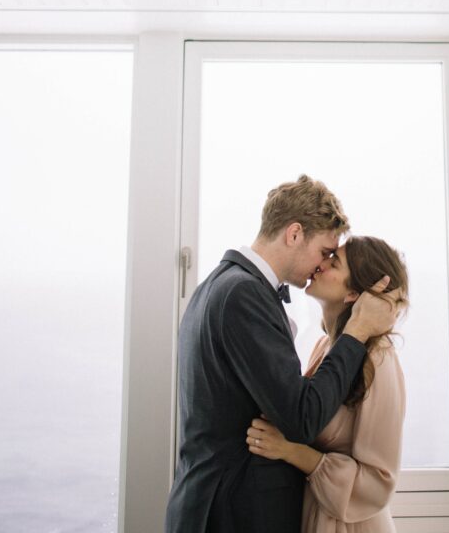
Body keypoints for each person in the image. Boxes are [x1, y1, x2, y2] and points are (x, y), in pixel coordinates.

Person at [164, 176, 399, 533]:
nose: (320, 266)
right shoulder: (243, 295)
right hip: (231, 515)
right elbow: (301, 417)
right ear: (293, 234)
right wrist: (356, 332)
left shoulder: (215, 286)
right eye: (324, 252)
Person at [246, 236, 408, 533]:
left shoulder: (378, 358)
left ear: (354, 293)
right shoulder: (325, 347)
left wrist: (291, 450)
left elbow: (378, 482)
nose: (319, 265)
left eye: (333, 262)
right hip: (314, 514)